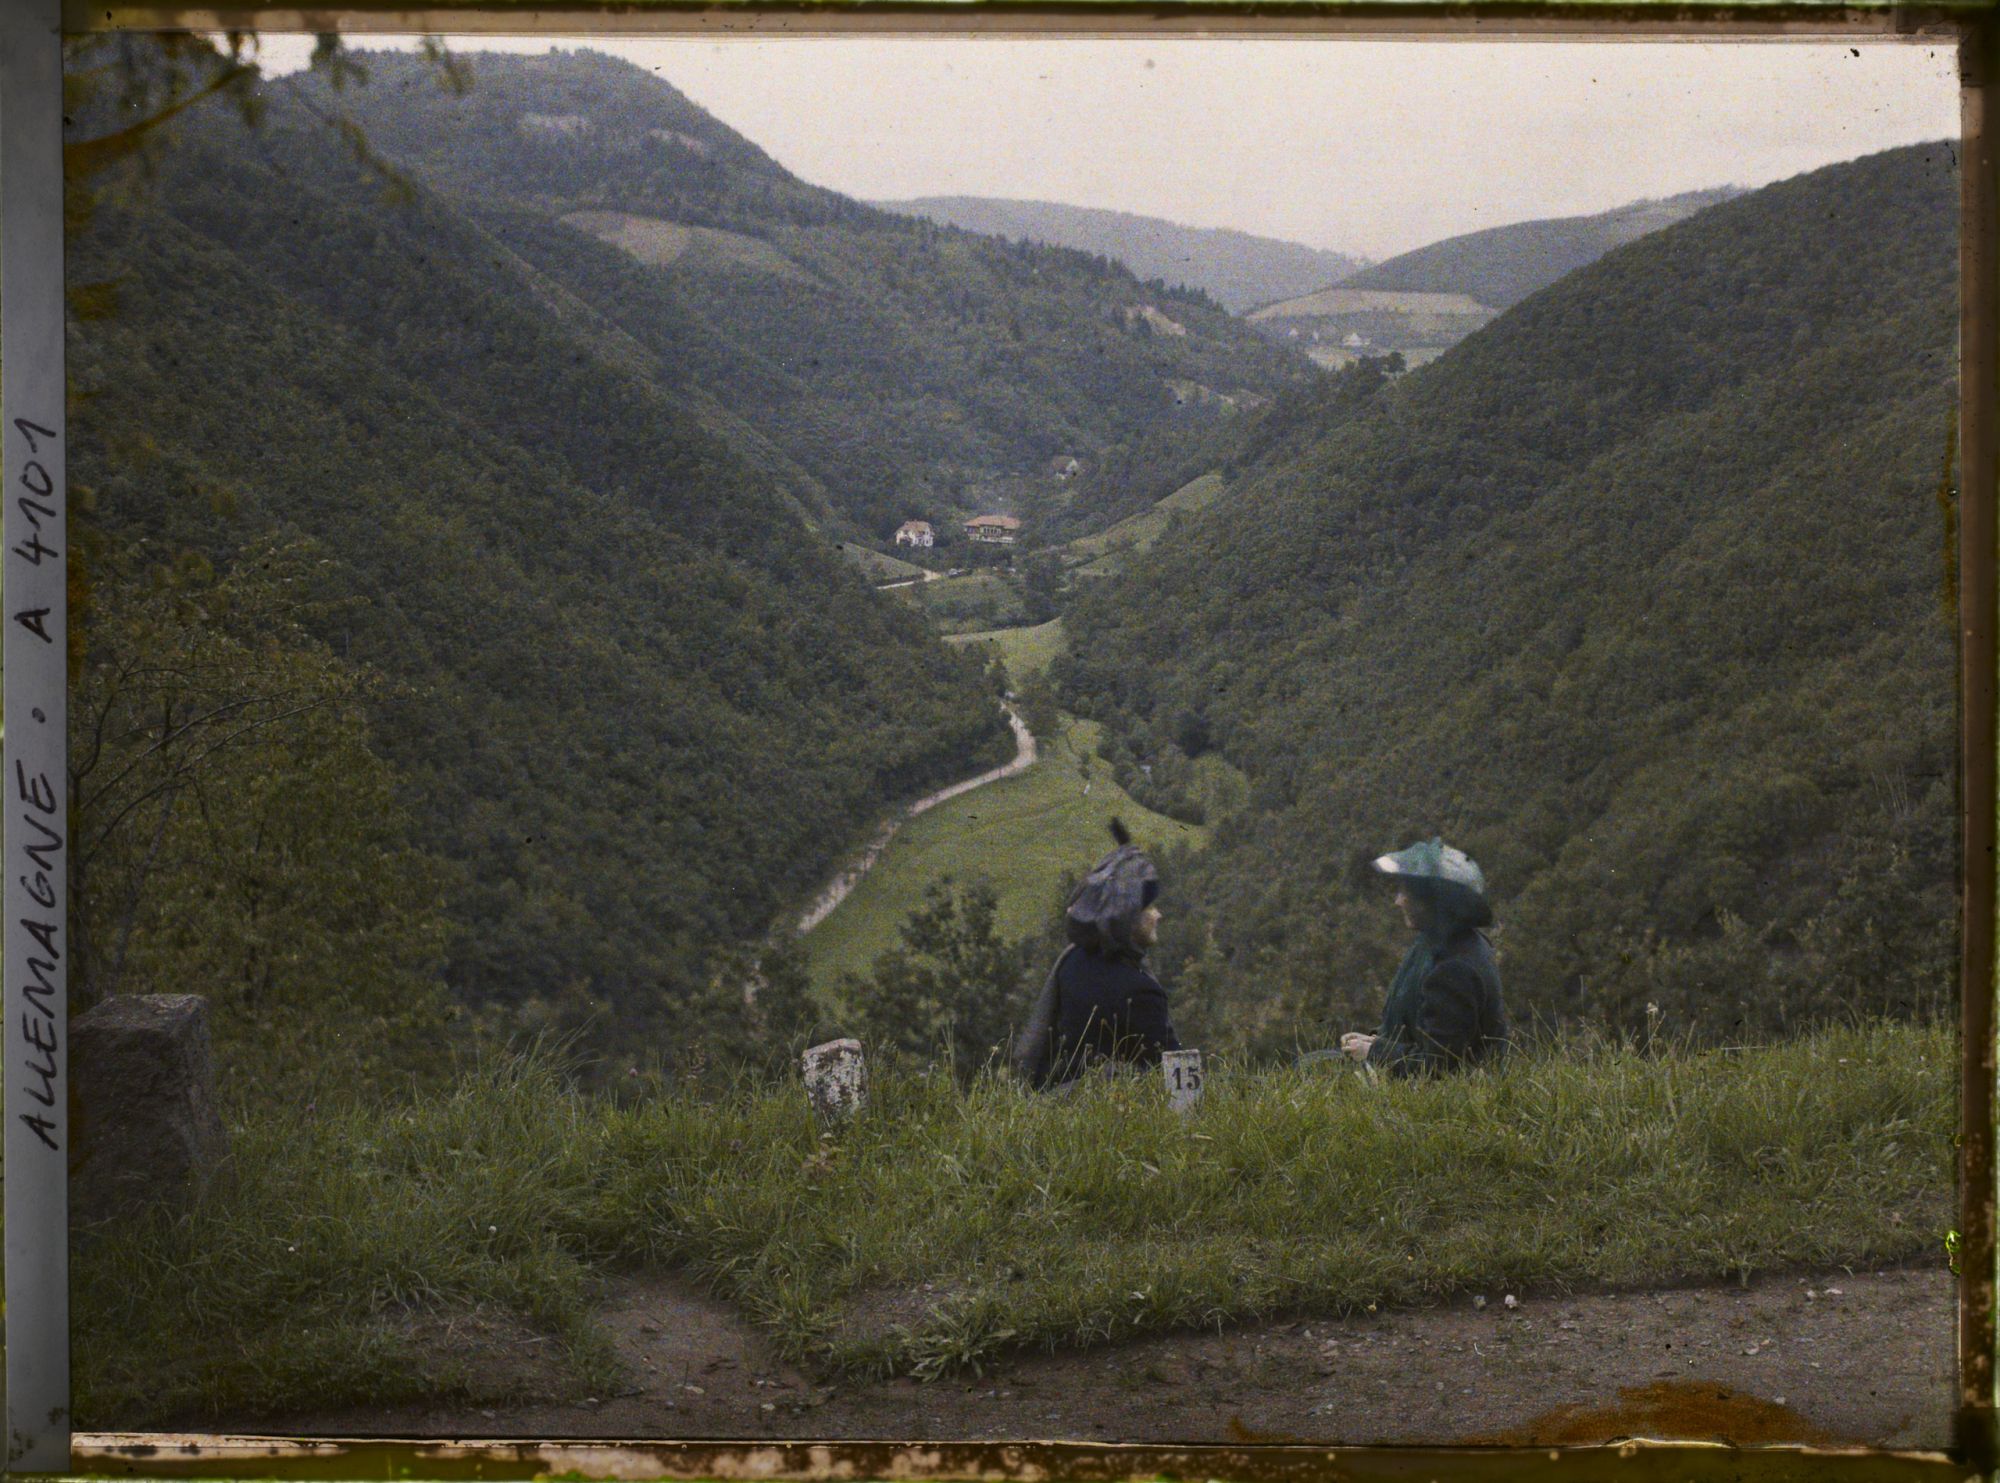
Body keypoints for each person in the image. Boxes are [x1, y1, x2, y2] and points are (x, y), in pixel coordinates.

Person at [1012, 820, 1179, 1090]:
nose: (1157, 915)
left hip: (1050, 1107)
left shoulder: (1072, 961)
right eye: (1149, 908)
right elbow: (1176, 1079)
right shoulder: (1142, 992)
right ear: (1128, 917)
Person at [1338, 837, 1507, 1077]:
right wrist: (1375, 1041)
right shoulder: (1438, 944)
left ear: (1431, 902)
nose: (1398, 901)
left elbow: (1440, 1068)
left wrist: (1375, 1051)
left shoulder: (1454, 968)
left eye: (1405, 892)